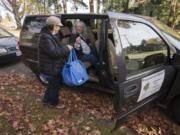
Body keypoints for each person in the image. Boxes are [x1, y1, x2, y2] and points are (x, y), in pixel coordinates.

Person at [38, 16, 73, 109]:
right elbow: (54, 52)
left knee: (51, 85)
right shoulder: (45, 38)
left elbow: (58, 47)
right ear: (52, 26)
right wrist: (67, 48)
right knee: (55, 86)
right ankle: (54, 103)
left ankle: (46, 100)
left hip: (54, 66)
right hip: (50, 67)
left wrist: (67, 45)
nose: (59, 28)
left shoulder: (52, 34)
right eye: (57, 26)